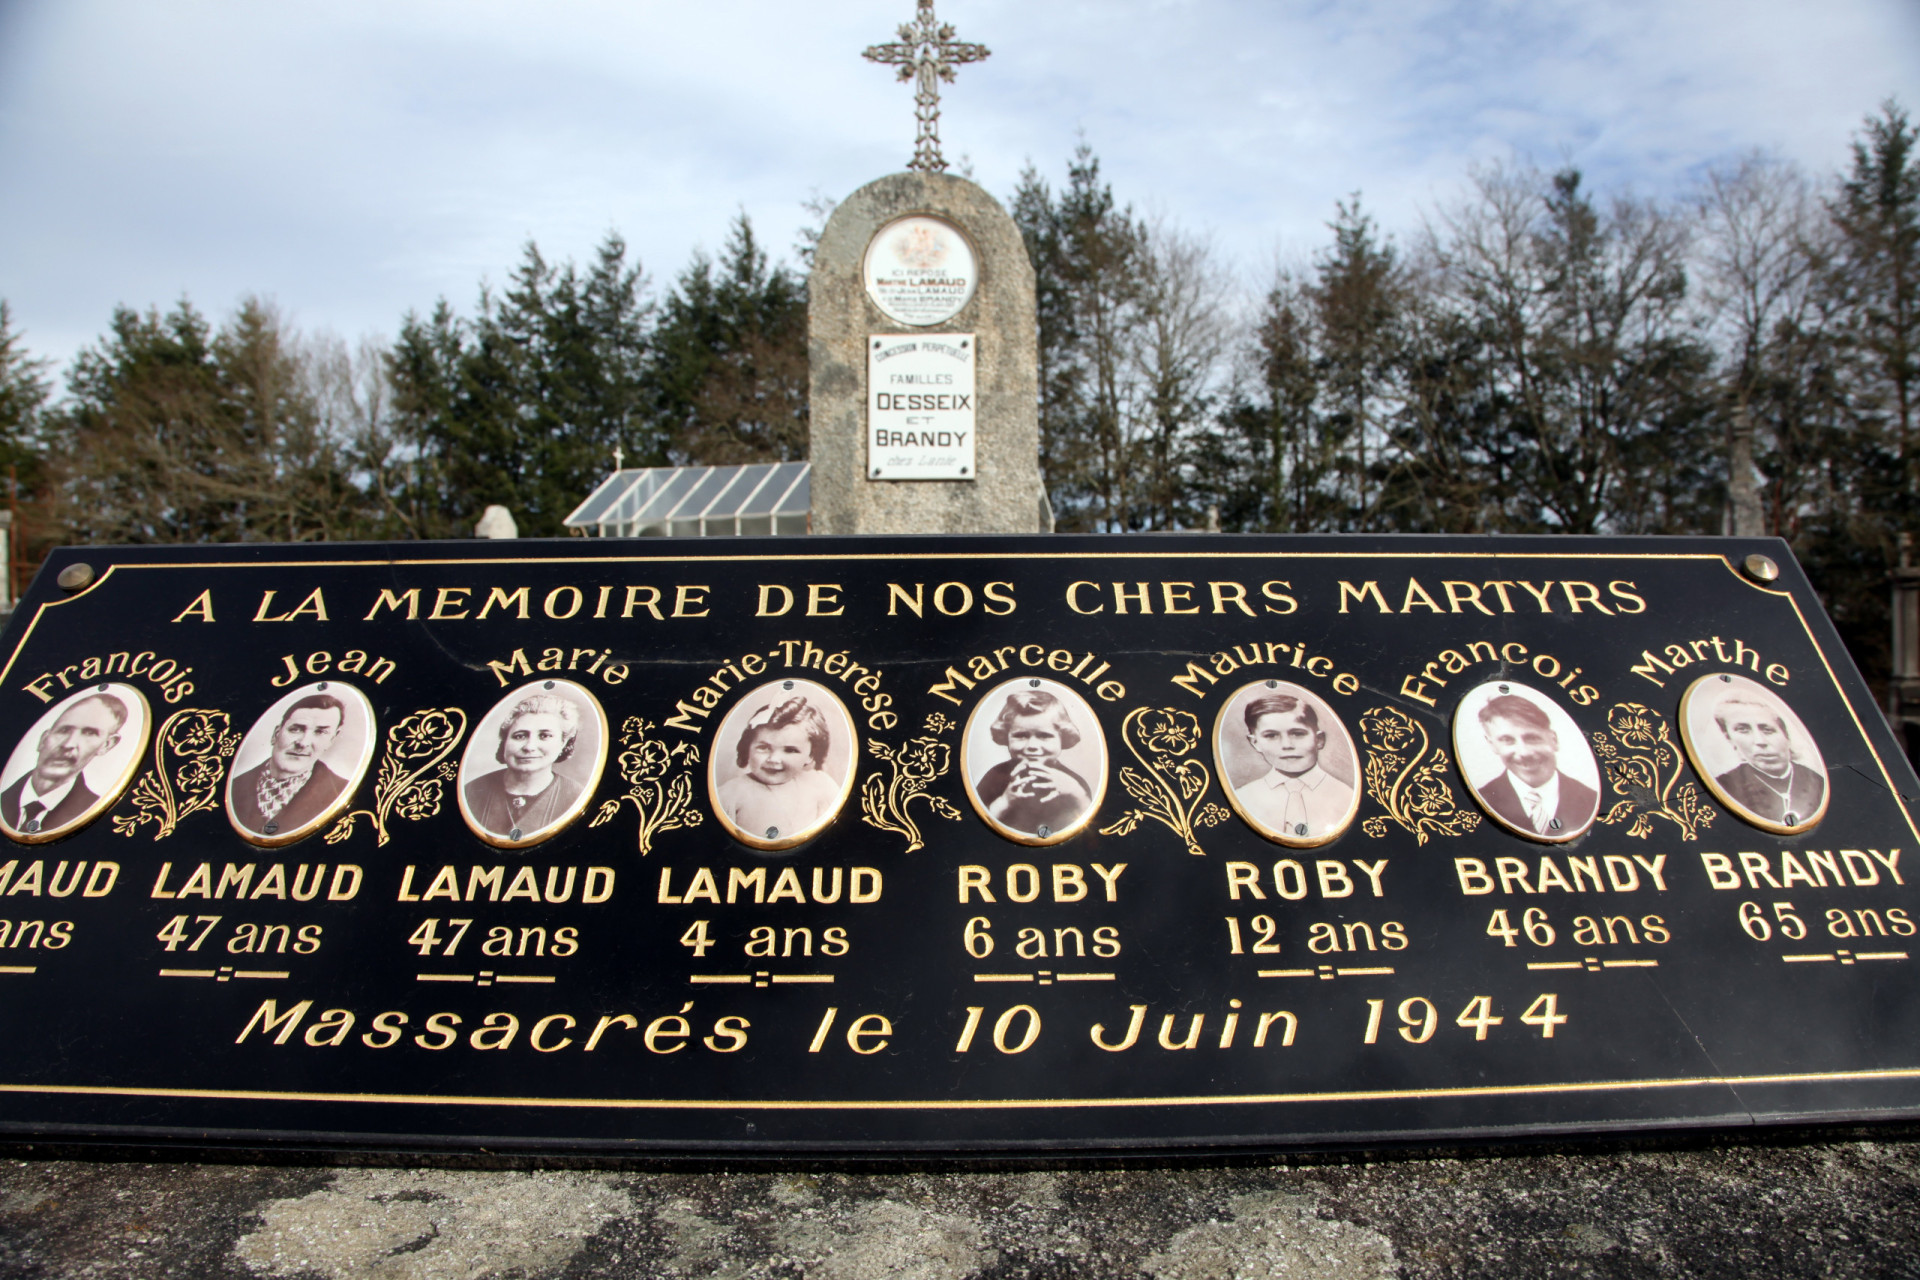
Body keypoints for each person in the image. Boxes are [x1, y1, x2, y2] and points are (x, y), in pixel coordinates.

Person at [3, 691, 128, 835]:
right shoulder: (4, 800)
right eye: (63, 730)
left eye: (89, 733)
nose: (68, 744)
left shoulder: (95, 812)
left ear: (106, 745)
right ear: (43, 740)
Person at [1474, 693, 1598, 836]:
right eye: (1507, 740)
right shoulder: (1481, 801)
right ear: (1493, 745)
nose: (1524, 752)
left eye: (1532, 738)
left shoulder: (1591, 801)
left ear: (1553, 739)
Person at [464, 693, 587, 838]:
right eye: (520, 736)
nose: (529, 747)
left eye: (544, 736)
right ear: (505, 742)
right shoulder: (470, 792)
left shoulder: (576, 796)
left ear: (563, 742)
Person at [716, 697, 841, 838]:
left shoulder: (821, 785)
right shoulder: (731, 794)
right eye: (763, 748)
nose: (774, 760)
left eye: (790, 750)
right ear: (748, 748)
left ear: (810, 755)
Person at [974, 689, 1093, 837]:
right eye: (1021, 736)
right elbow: (974, 829)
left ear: (1063, 737)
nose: (1032, 745)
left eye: (1044, 736)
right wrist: (1005, 801)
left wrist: (1076, 794)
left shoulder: (1074, 782)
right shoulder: (995, 777)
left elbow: (1091, 829)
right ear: (1006, 736)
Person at [1233, 693, 1354, 839]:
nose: (1287, 745)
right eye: (1271, 736)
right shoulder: (1243, 797)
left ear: (1319, 740)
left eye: (1298, 733)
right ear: (1255, 743)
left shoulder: (1346, 797)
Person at [230, 694, 350, 836]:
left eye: (320, 732)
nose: (303, 743)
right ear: (276, 734)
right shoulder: (235, 787)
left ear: (331, 740)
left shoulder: (340, 791)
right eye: (296, 729)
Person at [1712, 693, 1824, 827]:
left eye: (1768, 730)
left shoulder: (1818, 783)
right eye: (1743, 730)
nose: (1760, 741)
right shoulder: (1725, 785)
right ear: (1729, 738)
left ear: (1786, 735)